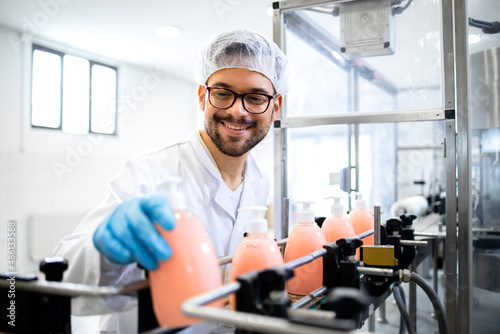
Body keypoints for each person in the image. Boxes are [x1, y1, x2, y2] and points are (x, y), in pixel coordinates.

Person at [53, 29, 289, 334]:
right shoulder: (149, 173)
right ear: (203, 96)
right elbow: (61, 280)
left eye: (255, 97)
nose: (236, 110)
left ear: (275, 107)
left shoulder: (258, 180)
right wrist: (104, 254)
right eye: (222, 93)